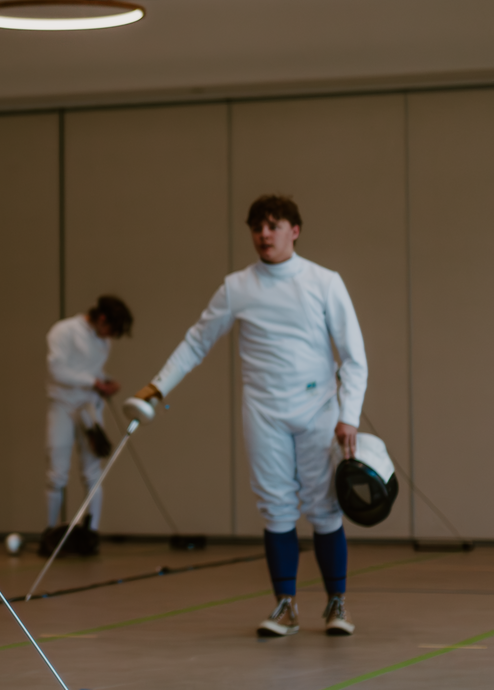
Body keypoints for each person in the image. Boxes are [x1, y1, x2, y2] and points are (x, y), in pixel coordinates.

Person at [133, 195, 367, 636]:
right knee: (276, 508)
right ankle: (286, 607)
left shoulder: (324, 281)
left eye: (274, 226)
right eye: (257, 227)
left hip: (319, 412)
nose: (264, 235)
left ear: (294, 231)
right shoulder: (236, 287)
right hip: (264, 412)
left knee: (324, 507)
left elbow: (354, 357)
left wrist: (348, 415)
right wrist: (157, 385)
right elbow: (196, 342)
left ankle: (337, 604)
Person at [42, 295, 132, 554]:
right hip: (62, 405)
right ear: (102, 318)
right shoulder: (64, 331)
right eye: (112, 328)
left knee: (93, 471)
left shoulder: (103, 341)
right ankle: (49, 532)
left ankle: (91, 532)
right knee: (57, 473)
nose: (112, 336)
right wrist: (94, 382)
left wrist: (106, 382)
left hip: (90, 409)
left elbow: (94, 372)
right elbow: (56, 369)